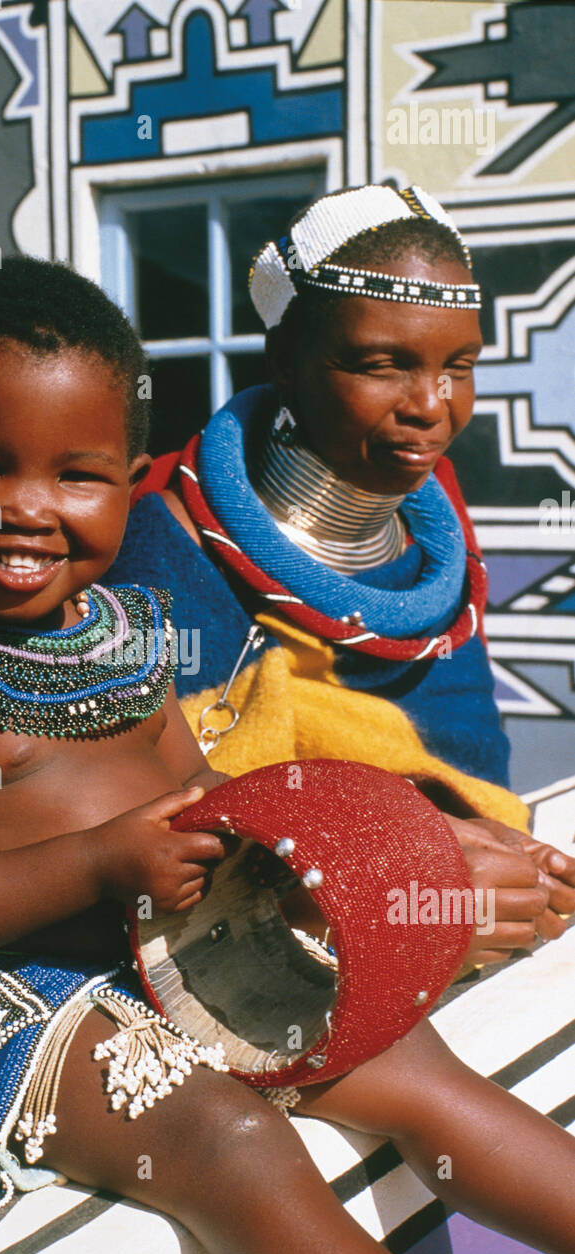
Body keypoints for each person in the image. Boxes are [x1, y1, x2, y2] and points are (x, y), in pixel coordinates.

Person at [0, 256, 575, 1254]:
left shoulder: (129, 628)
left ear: (129, 485)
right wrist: (97, 865)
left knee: (406, 1056)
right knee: (229, 1141)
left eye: (75, 475)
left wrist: (360, 854)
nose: (28, 508)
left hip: (172, 947)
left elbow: (208, 786)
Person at [106, 184, 575, 967]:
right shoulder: (156, 553)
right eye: (381, 364)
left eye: (457, 366)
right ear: (286, 361)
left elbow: (465, 769)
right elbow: (150, 821)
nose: (431, 404)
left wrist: (499, 857)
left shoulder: (437, 558)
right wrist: (390, 877)